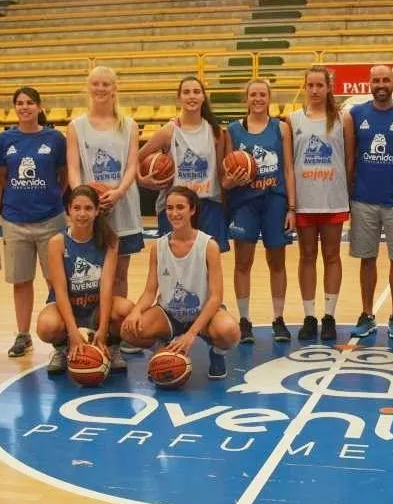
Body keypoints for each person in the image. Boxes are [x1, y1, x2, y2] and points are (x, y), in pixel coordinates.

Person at [121, 186, 240, 379]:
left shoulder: (209, 246)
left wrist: (191, 334)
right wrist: (135, 311)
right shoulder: (158, 247)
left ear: (192, 210)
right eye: (169, 208)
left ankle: (217, 354)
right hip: (169, 313)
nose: (174, 213)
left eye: (180, 207)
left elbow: (216, 297)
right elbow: (150, 291)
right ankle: (163, 348)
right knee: (129, 331)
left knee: (229, 331)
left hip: (202, 312)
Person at [345, 65, 393, 338]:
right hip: (364, 199)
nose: (381, 84)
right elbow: (351, 155)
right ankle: (367, 314)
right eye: (376, 80)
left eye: (385, 80)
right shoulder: (356, 114)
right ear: (369, 83)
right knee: (367, 258)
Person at [0, 86, 67, 358]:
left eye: (29, 103)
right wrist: (1, 208)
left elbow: (64, 174)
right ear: (15, 108)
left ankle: (61, 336)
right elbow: (1, 176)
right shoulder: (4, 140)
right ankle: (23, 335)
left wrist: (55, 196)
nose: (24, 107)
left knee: (55, 280)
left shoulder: (55, 138)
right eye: (20, 103)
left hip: (50, 219)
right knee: (21, 281)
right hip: (15, 220)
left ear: (38, 106)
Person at [224, 78, 297, 344]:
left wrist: (292, 207)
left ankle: (278, 319)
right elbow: (226, 174)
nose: (257, 99)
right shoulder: (232, 130)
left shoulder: (281, 128)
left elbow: (288, 168)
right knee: (243, 263)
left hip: (275, 201)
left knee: (276, 262)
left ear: (269, 98)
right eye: (253, 94)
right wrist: (232, 180)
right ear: (246, 99)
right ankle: (244, 320)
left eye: (262, 94)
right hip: (245, 202)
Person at [35, 184, 134, 374]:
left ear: (97, 211)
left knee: (127, 311)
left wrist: (104, 329)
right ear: (68, 211)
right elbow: (60, 291)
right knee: (46, 326)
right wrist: (72, 332)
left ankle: (112, 346)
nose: (82, 213)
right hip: (67, 307)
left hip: (96, 308)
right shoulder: (57, 242)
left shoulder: (110, 240)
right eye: (77, 208)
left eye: (88, 208)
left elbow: (106, 288)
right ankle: (63, 349)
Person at [66, 66, 143, 299]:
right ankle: (95, 322)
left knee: (120, 272)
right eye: (96, 84)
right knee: (92, 271)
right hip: (91, 208)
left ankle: (116, 327)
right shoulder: (76, 126)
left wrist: (118, 192)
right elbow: (73, 167)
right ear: (88, 87)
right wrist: (83, 198)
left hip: (123, 203)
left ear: (114, 88)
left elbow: (132, 166)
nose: (100, 88)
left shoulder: (129, 125)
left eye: (105, 84)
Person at [290, 66, 351, 342]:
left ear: (328, 88)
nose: (314, 90)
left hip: (332, 199)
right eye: (310, 85)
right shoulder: (293, 120)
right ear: (305, 87)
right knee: (306, 257)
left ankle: (329, 315)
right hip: (304, 200)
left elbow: (349, 159)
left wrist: (342, 188)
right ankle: (309, 315)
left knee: (332, 256)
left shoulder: (342, 119)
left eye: (319, 85)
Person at [137, 76, 228, 253]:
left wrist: (225, 205)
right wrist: (142, 181)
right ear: (179, 98)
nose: (191, 96)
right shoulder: (169, 130)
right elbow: (135, 158)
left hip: (209, 204)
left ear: (203, 97)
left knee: (208, 264)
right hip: (175, 206)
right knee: (174, 265)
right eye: (186, 92)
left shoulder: (215, 131)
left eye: (196, 92)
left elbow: (219, 173)